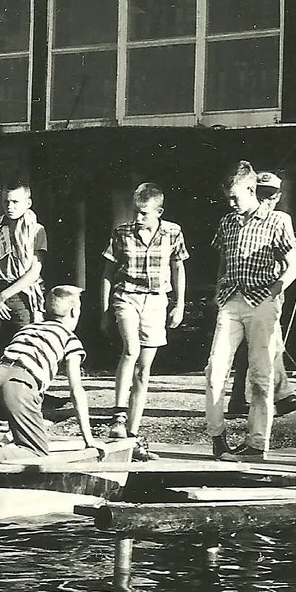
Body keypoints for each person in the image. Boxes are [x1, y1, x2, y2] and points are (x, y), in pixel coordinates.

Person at [203, 163, 296, 460]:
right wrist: (218, 292)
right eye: (227, 198)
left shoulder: (277, 220)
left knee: (261, 374)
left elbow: (293, 262)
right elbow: (223, 260)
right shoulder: (228, 222)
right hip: (230, 301)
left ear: (250, 190)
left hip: (261, 303)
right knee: (215, 370)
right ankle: (217, 437)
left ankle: (257, 443)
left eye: (234, 197)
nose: (231, 203)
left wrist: (276, 289)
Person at [0, 285, 107, 462]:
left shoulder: (28, 329)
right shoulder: (69, 339)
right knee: (36, 452)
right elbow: (76, 390)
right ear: (74, 312)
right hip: (19, 383)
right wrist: (89, 440)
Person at [97, 182, 187, 451]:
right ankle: (118, 415)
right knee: (131, 350)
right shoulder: (122, 233)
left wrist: (180, 304)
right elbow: (107, 273)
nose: (137, 218)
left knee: (144, 370)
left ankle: (132, 432)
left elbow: (178, 268)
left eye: (144, 213)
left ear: (159, 212)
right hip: (127, 297)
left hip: (156, 300)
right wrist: (105, 311)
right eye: (135, 211)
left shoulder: (173, 232)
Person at [0, 183, 47, 368]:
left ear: (28, 203)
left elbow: (34, 271)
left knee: (24, 350)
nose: (10, 206)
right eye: (6, 202)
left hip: (22, 295)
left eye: (15, 202)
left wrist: (3, 296)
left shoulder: (36, 230)